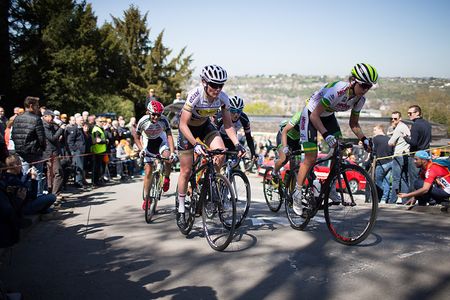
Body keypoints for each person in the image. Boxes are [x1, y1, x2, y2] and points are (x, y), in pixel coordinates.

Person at [292, 63, 377, 217]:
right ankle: (297, 195)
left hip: (328, 116)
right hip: (311, 114)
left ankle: (330, 186)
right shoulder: (338, 90)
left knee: (339, 148)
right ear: (353, 81)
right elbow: (314, 116)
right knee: (311, 158)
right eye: (363, 85)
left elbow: (354, 124)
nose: (365, 90)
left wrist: (364, 139)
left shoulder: (360, 100)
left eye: (369, 87)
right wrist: (326, 135)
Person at [176, 64, 245, 226]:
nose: (218, 89)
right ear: (204, 82)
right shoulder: (195, 95)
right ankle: (180, 208)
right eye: (214, 85)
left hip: (205, 126)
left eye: (221, 85)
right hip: (188, 130)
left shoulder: (223, 98)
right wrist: (195, 144)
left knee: (220, 152)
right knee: (186, 170)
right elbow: (182, 125)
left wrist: (237, 144)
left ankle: (212, 182)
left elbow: (228, 125)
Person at [135, 100, 176, 209]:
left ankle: (166, 177)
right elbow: (136, 136)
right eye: (154, 114)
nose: (156, 117)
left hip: (160, 141)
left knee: (168, 158)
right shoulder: (143, 121)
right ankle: (147, 198)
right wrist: (141, 149)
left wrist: (172, 152)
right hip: (148, 142)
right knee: (148, 170)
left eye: (159, 115)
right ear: (148, 112)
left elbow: (169, 135)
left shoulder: (164, 120)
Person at [11, 96, 46, 195]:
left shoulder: (17, 118)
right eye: (36, 106)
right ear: (31, 106)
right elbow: (41, 138)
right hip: (34, 152)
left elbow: (13, 135)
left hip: (20, 151)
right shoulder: (36, 119)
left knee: (24, 174)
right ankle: (38, 198)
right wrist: (42, 148)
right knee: (38, 174)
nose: (38, 108)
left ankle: (22, 197)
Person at [213, 95, 257, 162]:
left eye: (239, 111)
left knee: (234, 162)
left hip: (232, 139)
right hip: (219, 136)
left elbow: (248, 137)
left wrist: (253, 152)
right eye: (233, 111)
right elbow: (214, 133)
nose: (236, 114)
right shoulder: (220, 116)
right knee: (219, 158)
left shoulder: (244, 119)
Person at [404, 105, 432, 198]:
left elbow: (413, 142)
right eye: (408, 113)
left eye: (410, 113)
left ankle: (411, 200)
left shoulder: (415, 125)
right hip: (426, 155)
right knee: (426, 179)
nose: (408, 115)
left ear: (417, 113)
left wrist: (405, 137)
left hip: (416, 155)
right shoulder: (427, 124)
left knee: (414, 180)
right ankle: (425, 200)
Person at [42, 110, 65, 200]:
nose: (53, 118)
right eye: (51, 116)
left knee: (52, 173)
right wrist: (61, 129)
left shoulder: (51, 125)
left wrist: (59, 124)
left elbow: (60, 126)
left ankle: (53, 193)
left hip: (54, 151)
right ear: (45, 116)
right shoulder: (44, 126)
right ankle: (54, 194)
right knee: (57, 172)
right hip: (50, 152)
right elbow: (52, 138)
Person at [388, 111, 410, 204]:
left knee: (396, 179)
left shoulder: (398, 128)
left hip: (398, 155)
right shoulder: (405, 127)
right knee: (404, 178)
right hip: (406, 155)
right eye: (392, 118)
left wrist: (394, 141)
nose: (393, 120)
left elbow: (389, 143)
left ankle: (392, 200)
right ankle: (405, 200)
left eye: (395, 118)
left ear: (400, 118)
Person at [272, 114, 302, 185]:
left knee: (296, 166)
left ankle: (289, 188)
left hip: (296, 140)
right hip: (284, 136)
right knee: (284, 159)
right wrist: (285, 147)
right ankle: (274, 172)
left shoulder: (312, 120)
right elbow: (284, 131)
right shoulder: (299, 116)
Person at [372, 124, 394, 203]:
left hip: (381, 163)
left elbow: (374, 151)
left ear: (380, 129)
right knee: (387, 181)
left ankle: (382, 196)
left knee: (378, 181)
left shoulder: (375, 139)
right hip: (390, 161)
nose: (373, 132)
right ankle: (384, 199)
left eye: (375, 130)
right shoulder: (389, 139)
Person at [66, 115, 87, 187]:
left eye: (82, 120)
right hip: (77, 151)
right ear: (77, 121)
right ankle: (78, 182)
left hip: (82, 151)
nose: (82, 121)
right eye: (81, 120)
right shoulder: (74, 129)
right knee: (78, 167)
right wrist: (75, 150)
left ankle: (80, 181)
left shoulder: (81, 129)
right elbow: (70, 141)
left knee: (81, 166)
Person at [90, 117, 107, 186]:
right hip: (97, 150)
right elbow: (97, 140)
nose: (102, 122)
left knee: (100, 166)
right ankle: (95, 182)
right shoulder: (96, 130)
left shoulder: (100, 129)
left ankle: (98, 180)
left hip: (101, 150)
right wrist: (106, 141)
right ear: (97, 122)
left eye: (103, 121)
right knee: (97, 167)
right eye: (100, 121)